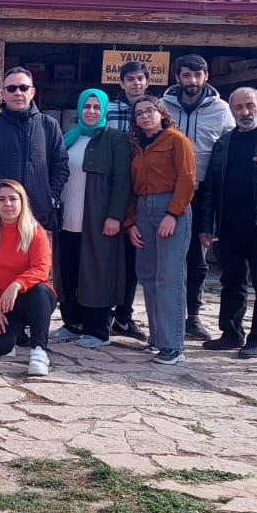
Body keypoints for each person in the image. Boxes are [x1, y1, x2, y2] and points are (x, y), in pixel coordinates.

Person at [200, 88, 257, 358]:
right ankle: (231, 333)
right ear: (231, 110)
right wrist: (206, 225)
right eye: (238, 107)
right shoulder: (224, 143)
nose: (244, 112)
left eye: (250, 105)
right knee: (232, 281)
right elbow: (211, 187)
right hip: (230, 224)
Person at [53, 89, 131, 349]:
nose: (91, 111)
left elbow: (122, 181)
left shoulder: (115, 139)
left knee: (97, 272)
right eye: (87, 106)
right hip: (68, 218)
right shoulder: (69, 138)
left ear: (104, 110)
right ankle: (72, 322)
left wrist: (114, 216)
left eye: (97, 107)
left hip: (97, 218)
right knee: (69, 270)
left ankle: (97, 329)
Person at [163, 54, 234, 341]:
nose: (192, 81)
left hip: (203, 191)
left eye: (197, 75)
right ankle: (166, 314)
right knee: (168, 257)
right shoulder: (163, 105)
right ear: (177, 77)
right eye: (186, 75)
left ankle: (193, 315)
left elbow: (231, 143)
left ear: (206, 76)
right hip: (167, 190)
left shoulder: (221, 109)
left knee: (197, 256)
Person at [125, 95, 197, 366]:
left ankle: (173, 344)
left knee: (169, 276)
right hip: (144, 209)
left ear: (162, 113)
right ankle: (157, 338)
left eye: (149, 111)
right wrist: (130, 222)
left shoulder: (176, 140)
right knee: (148, 275)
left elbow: (187, 178)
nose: (145, 116)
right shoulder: (137, 147)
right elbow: (132, 187)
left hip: (170, 207)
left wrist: (173, 213)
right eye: (139, 113)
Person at [0, 180, 57, 377]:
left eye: (13, 199)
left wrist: (17, 284)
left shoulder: (35, 232)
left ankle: (39, 350)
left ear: (22, 202)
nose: (8, 204)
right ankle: (15, 332)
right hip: (0, 303)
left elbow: (41, 268)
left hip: (31, 297)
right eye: (2, 199)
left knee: (39, 290)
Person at [0, 67, 68, 233]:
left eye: (23, 88)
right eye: (11, 88)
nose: (18, 92)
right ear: (3, 93)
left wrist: (50, 198)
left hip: (38, 216)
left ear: (32, 92)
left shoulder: (49, 125)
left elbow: (60, 167)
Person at [105, 60, 151, 340]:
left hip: (142, 193)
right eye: (130, 79)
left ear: (147, 82)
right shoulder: (108, 110)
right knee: (109, 256)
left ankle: (124, 315)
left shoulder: (151, 111)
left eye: (140, 79)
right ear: (121, 83)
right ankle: (103, 312)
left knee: (133, 258)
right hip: (111, 190)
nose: (136, 83)